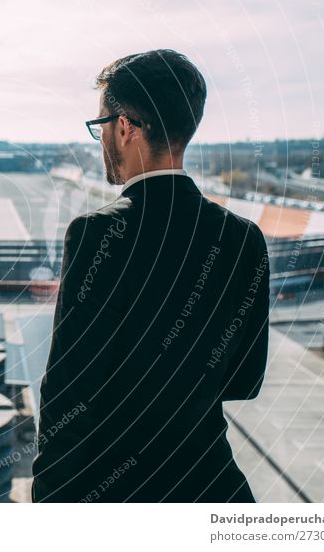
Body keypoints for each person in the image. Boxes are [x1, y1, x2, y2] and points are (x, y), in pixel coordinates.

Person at [31, 49, 270, 503]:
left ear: (124, 127)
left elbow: (69, 396)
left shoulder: (97, 234)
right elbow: (245, 381)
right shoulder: (244, 238)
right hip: (212, 488)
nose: (101, 139)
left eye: (100, 126)